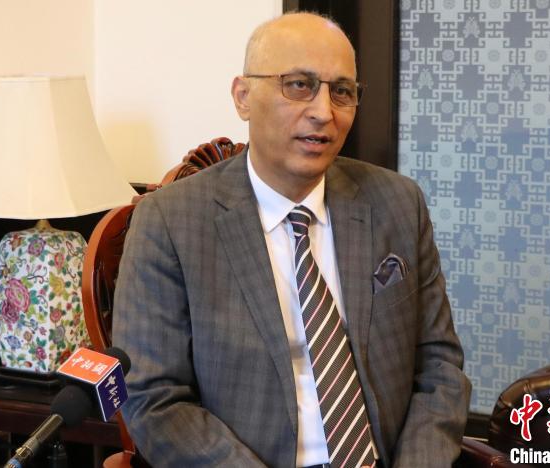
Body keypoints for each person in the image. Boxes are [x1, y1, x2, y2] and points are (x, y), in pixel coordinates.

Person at [113, 12, 471, 468]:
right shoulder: (170, 222)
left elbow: (439, 368)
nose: (324, 112)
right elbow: (153, 398)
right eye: (299, 85)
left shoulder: (397, 204)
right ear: (243, 97)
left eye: (342, 91)